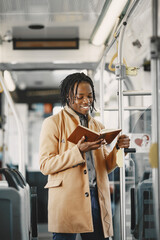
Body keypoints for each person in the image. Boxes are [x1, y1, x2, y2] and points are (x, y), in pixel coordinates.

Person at [39, 72, 130, 240]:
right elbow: (45, 165)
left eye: (89, 96)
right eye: (80, 97)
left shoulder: (97, 125)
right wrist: (78, 151)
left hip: (97, 197)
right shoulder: (53, 123)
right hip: (67, 199)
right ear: (68, 96)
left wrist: (117, 148)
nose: (86, 101)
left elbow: (105, 168)